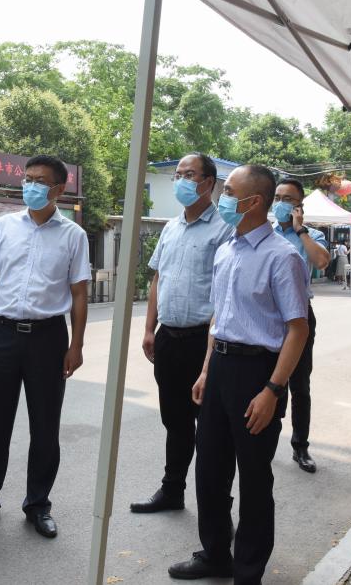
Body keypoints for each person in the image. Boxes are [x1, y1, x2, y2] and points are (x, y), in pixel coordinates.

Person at [168, 165, 310, 584]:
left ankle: (248, 570)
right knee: (210, 470)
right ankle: (215, 553)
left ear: (254, 202)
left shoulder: (282, 256)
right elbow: (220, 317)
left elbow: (297, 329)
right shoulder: (226, 249)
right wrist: (206, 370)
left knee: (253, 476)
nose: (222, 197)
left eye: (229, 191)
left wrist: (273, 389)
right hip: (221, 368)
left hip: (258, 371)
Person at [0, 154, 91, 539]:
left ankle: (38, 504)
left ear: (58, 189)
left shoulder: (73, 235)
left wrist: (76, 345)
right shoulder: (4, 226)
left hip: (48, 339)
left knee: (45, 426)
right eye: (27, 178)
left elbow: (79, 294)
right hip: (2, 334)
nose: (30, 186)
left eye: (39, 181)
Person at [131, 153, 233, 513]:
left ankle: (216, 507)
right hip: (168, 338)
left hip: (204, 341)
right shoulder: (171, 227)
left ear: (209, 183)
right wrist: (149, 328)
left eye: (189, 175)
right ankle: (172, 490)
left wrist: (208, 358)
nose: (181, 181)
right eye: (178, 175)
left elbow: (225, 293)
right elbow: (158, 278)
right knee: (175, 421)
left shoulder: (225, 229)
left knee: (211, 429)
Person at [272, 178, 330, 473]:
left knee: (299, 385)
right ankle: (266, 438)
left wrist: (300, 229)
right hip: (268, 316)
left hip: (298, 315)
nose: (280, 203)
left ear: (299, 205)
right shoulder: (265, 232)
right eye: (277, 197)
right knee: (269, 380)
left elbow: (321, 262)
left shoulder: (312, 235)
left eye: (288, 199)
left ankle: (300, 446)